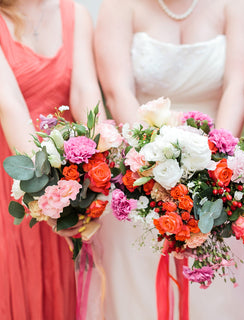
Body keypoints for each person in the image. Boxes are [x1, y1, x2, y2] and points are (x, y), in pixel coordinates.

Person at [94, 0, 244, 319]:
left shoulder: (237, 5)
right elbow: (117, 91)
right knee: (136, 293)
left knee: (212, 295)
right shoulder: (118, 6)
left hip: (213, 172)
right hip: (140, 170)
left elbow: (239, 88)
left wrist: (214, 170)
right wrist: (151, 163)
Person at [0, 0, 103, 319]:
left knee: (60, 288)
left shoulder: (75, 14)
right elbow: (10, 107)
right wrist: (50, 198)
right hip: (15, 176)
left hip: (68, 171)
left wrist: (97, 176)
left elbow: (86, 92)